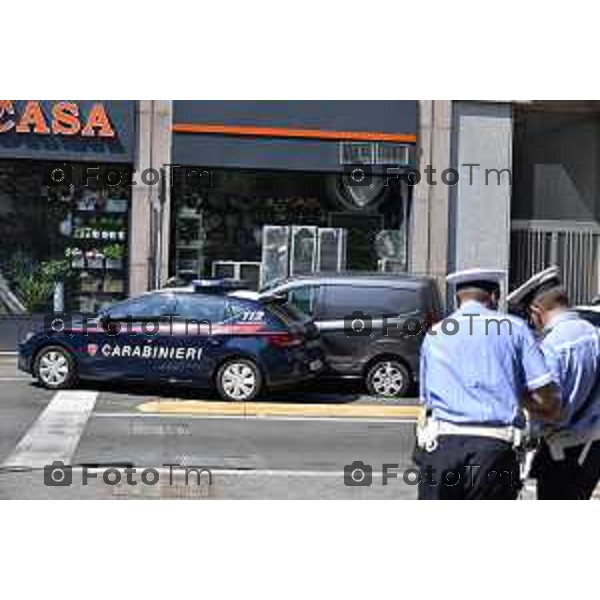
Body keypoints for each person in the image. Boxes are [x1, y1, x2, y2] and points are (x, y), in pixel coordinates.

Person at [414, 268, 561, 500]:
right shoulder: (514, 328)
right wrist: (531, 403)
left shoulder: (435, 333)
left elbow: (426, 400)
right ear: (494, 296)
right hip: (492, 449)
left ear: (457, 299)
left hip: (440, 448)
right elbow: (544, 393)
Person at [507, 266, 600, 499]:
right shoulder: (594, 333)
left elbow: (550, 409)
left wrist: (520, 398)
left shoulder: (551, 347)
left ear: (536, 310)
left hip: (563, 452)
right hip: (594, 448)